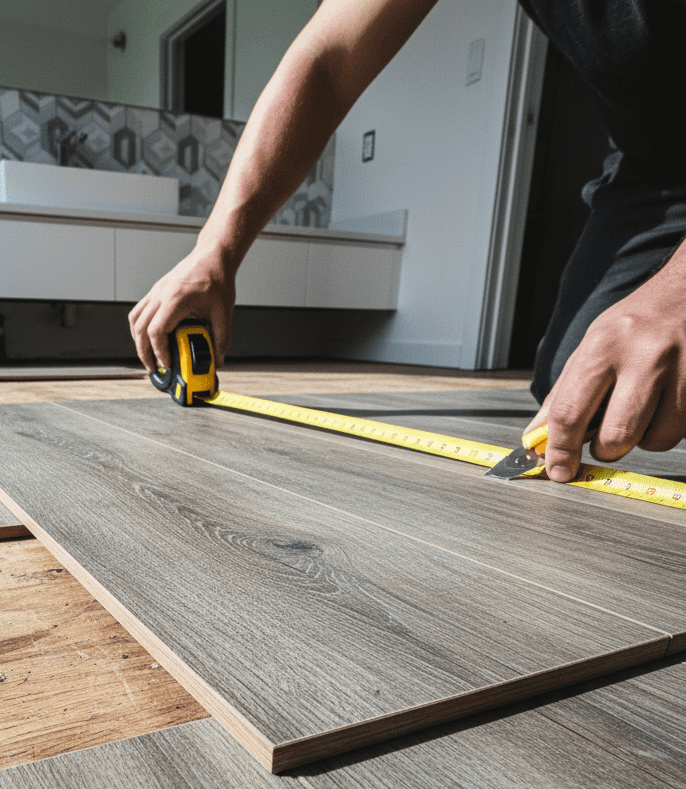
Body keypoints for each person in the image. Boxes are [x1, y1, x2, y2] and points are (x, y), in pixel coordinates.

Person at [128, 0, 686, 483]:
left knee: (653, 391)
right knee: (582, 392)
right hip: (653, 170)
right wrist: (214, 251)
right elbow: (327, 61)